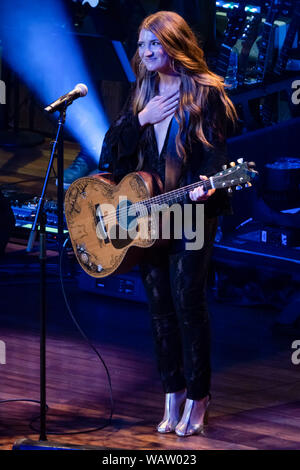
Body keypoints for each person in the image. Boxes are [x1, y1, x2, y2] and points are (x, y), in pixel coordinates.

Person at [99, 10, 237, 437]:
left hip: (191, 212)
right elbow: (112, 156)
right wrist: (140, 119)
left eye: (154, 43)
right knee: (159, 310)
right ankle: (172, 392)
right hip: (149, 215)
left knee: (188, 304)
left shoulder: (205, 91)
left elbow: (217, 155)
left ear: (174, 42)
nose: (147, 52)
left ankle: (199, 396)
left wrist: (208, 186)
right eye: (142, 46)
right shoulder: (143, 92)